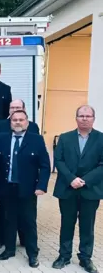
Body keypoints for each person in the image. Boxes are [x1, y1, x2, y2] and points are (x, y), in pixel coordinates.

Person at [0, 110, 50, 268]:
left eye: (21, 120)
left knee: (28, 222)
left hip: (28, 189)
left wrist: (41, 186)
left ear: (27, 122)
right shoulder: (2, 139)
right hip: (6, 187)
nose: (18, 122)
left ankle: (32, 254)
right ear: (10, 122)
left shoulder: (36, 140)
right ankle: (9, 249)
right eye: (15, 120)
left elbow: (45, 166)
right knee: (9, 220)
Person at [52, 105, 103, 273]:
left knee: (87, 226)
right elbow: (59, 160)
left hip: (90, 189)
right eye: (81, 116)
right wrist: (71, 179)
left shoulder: (101, 139)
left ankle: (85, 258)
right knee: (67, 223)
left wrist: (85, 180)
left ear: (93, 119)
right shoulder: (65, 138)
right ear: (76, 118)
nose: (84, 118)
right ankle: (64, 256)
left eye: (88, 116)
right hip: (68, 188)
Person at [0, 98, 40, 249]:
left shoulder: (33, 127)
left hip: (25, 178)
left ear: (24, 110)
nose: (14, 109)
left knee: (26, 213)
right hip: (4, 177)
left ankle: (25, 239)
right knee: (3, 212)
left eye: (18, 107)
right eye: (12, 107)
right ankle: (1, 239)